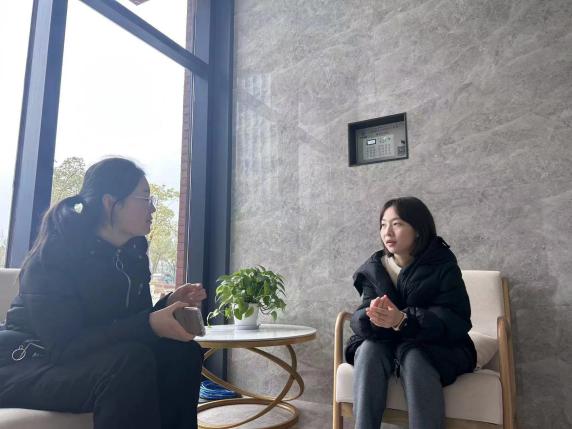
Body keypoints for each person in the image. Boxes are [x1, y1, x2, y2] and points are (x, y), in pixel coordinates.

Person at [0, 157, 206, 429]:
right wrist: (149, 324)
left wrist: (167, 305)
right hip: (27, 362)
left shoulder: (132, 254)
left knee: (182, 353)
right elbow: (65, 345)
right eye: (145, 198)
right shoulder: (55, 255)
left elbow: (129, 323)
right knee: (130, 363)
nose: (153, 208)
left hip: (87, 357)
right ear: (111, 203)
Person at [346, 196, 476, 429]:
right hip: (386, 341)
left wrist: (404, 320)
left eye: (397, 224)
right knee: (368, 349)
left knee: (414, 356)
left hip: (436, 344)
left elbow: (456, 318)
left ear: (417, 229)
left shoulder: (442, 265)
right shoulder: (375, 268)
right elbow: (359, 315)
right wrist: (373, 318)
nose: (387, 232)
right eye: (383, 225)